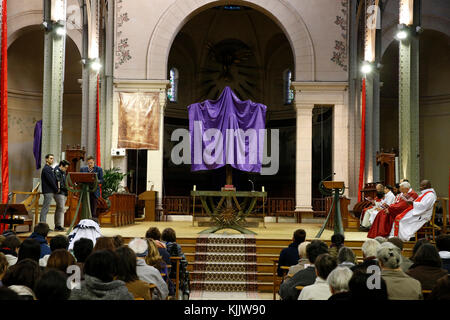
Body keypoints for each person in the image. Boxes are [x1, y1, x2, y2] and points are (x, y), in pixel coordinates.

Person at [161, 227, 190, 299]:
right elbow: (184, 261)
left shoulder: (159, 246)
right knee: (186, 275)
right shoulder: (176, 246)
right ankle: (184, 296)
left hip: (162, 271)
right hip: (175, 273)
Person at [40, 154, 59, 225]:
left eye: (52, 159)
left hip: (50, 191)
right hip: (48, 191)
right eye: (50, 158)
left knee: (46, 208)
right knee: (45, 208)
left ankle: (43, 224)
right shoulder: (46, 169)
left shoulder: (49, 168)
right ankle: (42, 225)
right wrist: (56, 189)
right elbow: (51, 181)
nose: (52, 160)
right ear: (46, 159)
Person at [53, 160, 70, 231]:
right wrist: (67, 188)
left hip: (63, 192)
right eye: (65, 167)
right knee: (61, 208)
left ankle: (58, 225)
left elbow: (64, 181)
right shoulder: (57, 171)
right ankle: (58, 226)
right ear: (61, 166)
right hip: (59, 192)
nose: (66, 169)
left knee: (59, 209)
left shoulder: (63, 172)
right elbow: (59, 182)